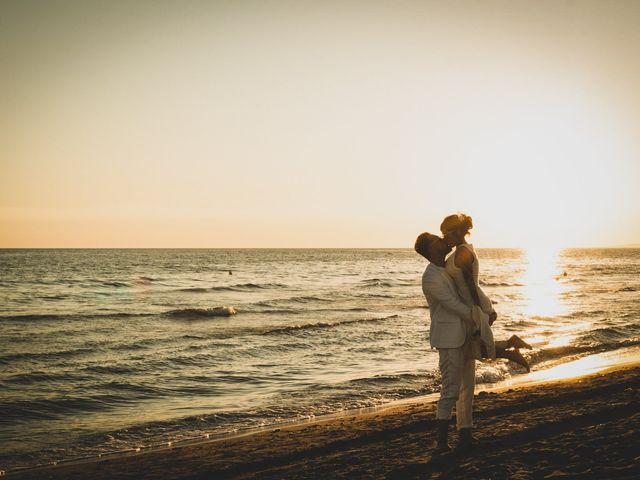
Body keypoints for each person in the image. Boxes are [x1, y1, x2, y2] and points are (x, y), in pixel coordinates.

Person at [440, 213, 531, 371]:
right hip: (469, 302)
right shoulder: (460, 251)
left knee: (472, 349)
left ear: (456, 233)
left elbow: (470, 285)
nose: (444, 238)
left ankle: (511, 352)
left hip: (473, 302)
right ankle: (511, 345)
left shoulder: (463, 253)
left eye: (445, 234)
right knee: (471, 347)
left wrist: (479, 311)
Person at [415, 232, 478, 454]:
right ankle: (440, 443)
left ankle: (465, 433)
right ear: (430, 249)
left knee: (467, 388)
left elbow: (465, 292)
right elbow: (453, 304)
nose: (443, 240)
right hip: (449, 339)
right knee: (450, 390)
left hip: (464, 334)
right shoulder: (430, 277)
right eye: (437, 240)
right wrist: (479, 316)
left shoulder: (448, 267)